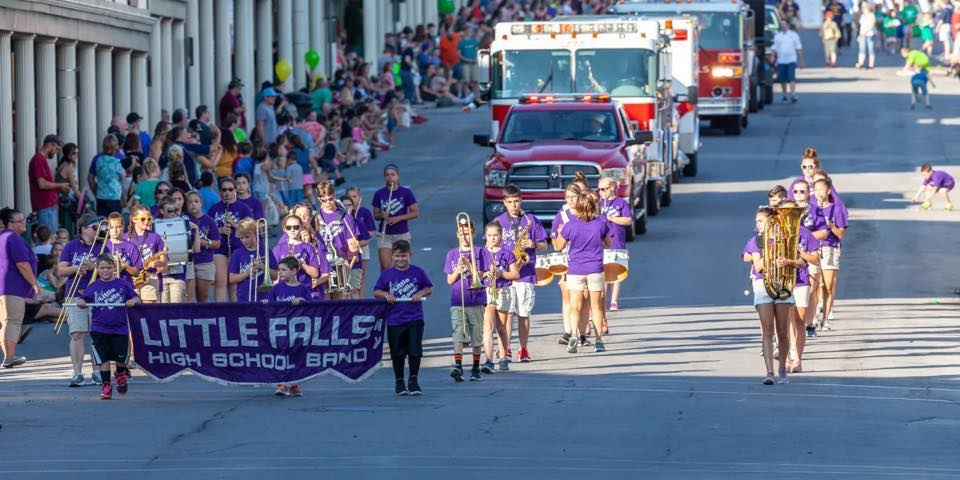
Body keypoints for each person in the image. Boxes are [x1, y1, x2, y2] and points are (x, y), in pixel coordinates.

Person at [553, 188, 611, 353]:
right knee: (596, 306)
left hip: (576, 269)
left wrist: (557, 233)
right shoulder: (601, 222)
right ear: (593, 206)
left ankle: (573, 337)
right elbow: (608, 243)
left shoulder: (570, 225)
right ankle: (598, 341)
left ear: (578, 207)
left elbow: (558, 247)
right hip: (595, 268)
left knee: (574, 306)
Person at [75, 254, 140, 400]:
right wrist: (81, 302)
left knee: (121, 359)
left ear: (114, 269)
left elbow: (135, 297)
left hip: (120, 327)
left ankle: (121, 374)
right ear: (97, 269)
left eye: (109, 268)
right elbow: (83, 299)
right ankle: (106, 385)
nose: (105, 271)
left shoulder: (122, 284)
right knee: (103, 359)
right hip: (99, 328)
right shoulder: (93, 286)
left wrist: (133, 301)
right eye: (102, 268)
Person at [495, 185, 548, 362]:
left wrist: (532, 245)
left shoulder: (531, 220)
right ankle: (507, 347)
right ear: (504, 202)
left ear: (521, 200)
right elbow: (490, 245)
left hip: (525, 274)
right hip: (507, 275)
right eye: (509, 202)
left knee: (523, 313)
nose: (513, 205)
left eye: (516, 201)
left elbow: (544, 245)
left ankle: (523, 349)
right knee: (507, 312)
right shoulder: (499, 221)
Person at [373, 240, 433, 395]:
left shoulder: (418, 272)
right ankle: (399, 381)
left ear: (410, 255)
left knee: (415, 351)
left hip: (415, 318)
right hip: (394, 320)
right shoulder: (387, 274)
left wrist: (420, 293)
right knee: (397, 353)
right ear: (393, 256)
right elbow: (376, 291)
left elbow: (428, 288)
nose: (401, 259)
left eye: (404, 256)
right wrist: (386, 294)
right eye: (398, 256)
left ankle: (413, 380)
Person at [742, 207, 794, 385]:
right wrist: (771, 253)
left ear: (772, 222)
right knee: (767, 330)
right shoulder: (756, 240)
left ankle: (782, 369)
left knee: (782, 331)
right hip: (763, 285)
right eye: (756, 221)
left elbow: (799, 263)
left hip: (783, 285)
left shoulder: (786, 239)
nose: (757, 224)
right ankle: (769, 372)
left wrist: (787, 258)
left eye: (760, 221)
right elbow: (757, 267)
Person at [59, 214, 108, 386]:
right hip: (76, 292)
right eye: (95, 228)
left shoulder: (103, 247)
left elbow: (110, 270)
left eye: (100, 228)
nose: (99, 231)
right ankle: (77, 373)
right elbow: (61, 270)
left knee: (97, 334)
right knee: (77, 333)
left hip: (98, 294)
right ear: (84, 228)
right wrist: (77, 267)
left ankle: (97, 372)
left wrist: (93, 267)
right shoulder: (71, 246)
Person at [777, 200, 820, 374]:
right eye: (784, 212)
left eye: (792, 212)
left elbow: (815, 259)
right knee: (783, 322)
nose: (788, 216)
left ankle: (798, 360)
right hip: (781, 281)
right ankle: (786, 358)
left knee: (799, 321)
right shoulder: (775, 233)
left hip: (800, 281)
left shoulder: (805, 234)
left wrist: (798, 252)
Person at [445, 216, 490, 382]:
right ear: (457, 234)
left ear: (473, 233)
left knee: (476, 335)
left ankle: (476, 367)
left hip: (476, 299)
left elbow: (483, 275)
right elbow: (449, 280)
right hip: (458, 300)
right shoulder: (452, 253)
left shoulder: (480, 252)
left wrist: (470, 267)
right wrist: (458, 270)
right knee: (458, 333)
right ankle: (458, 365)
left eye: (468, 233)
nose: (465, 237)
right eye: (462, 233)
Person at [267, 256, 312, 397]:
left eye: (283, 270)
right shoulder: (276, 289)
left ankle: (294, 384)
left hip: (297, 329)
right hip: (280, 329)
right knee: (280, 356)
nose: (279, 273)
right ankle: (281, 384)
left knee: (296, 356)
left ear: (294, 271)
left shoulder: (303, 289)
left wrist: (303, 300)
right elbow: (269, 307)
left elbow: (312, 307)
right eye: (279, 270)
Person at [0, 208, 39, 369]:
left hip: (5, 287)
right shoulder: (12, 238)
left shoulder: (3, 237)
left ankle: (9, 355)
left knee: (5, 322)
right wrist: (34, 284)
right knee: (13, 321)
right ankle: (9, 357)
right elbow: (22, 264)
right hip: (11, 287)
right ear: (10, 224)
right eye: (20, 221)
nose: (24, 223)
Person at [480, 221, 519, 373]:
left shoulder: (507, 253)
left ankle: (503, 357)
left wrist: (501, 273)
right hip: (487, 290)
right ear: (485, 236)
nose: (493, 238)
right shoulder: (482, 253)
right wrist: (485, 274)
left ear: (501, 236)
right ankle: (489, 360)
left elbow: (515, 274)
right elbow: (477, 273)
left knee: (501, 328)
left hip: (503, 290)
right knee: (487, 326)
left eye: (495, 235)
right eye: (489, 235)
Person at [314, 183, 363, 299]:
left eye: (330, 199)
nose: (328, 202)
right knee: (324, 300)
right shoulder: (315, 217)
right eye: (324, 200)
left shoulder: (346, 217)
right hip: (321, 263)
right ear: (319, 199)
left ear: (334, 195)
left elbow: (352, 245)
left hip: (339, 262)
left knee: (338, 301)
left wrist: (353, 249)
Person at [208, 177, 254, 301]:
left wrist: (234, 224)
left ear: (235, 190)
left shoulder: (243, 208)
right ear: (220, 192)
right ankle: (222, 314)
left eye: (230, 189)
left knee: (234, 285)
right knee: (221, 283)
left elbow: (250, 229)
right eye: (224, 190)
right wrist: (220, 230)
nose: (227, 192)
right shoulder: (214, 209)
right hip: (220, 249)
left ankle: (236, 314)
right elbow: (206, 230)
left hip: (238, 248)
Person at [811, 178, 847, 331]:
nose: (819, 193)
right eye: (816, 189)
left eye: (822, 189)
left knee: (828, 287)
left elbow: (840, 234)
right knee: (812, 286)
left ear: (828, 191)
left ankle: (825, 319)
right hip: (813, 249)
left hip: (830, 248)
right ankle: (812, 318)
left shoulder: (836, 208)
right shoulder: (811, 208)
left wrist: (830, 224)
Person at [372, 165, 419, 272]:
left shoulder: (406, 193)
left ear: (398, 176)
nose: (390, 177)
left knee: (402, 266)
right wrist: (381, 215)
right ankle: (385, 288)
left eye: (393, 175)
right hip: (385, 235)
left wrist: (399, 218)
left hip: (402, 234)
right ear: (384, 177)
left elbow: (415, 213)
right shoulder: (379, 194)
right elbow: (375, 215)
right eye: (387, 175)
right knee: (385, 267)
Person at [272, 214, 327, 300]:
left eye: (296, 227)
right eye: (289, 227)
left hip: (304, 290)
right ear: (284, 229)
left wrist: (300, 263)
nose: (292, 230)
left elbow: (315, 273)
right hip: (285, 292)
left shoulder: (308, 247)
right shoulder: (278, 248)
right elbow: (275, 274)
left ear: (301, 227)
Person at [598, 177, 631, 311]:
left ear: (612, 188)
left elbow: (628, 220)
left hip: (617, 241)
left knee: (616, 271)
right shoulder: (598, 203)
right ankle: (602, 300)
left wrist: (611, 218)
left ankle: (614, 301)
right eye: (599, 189)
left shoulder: (621, 203)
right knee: (603, 272)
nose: (601, 192)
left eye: (604, 189)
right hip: (601, 242)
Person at [158, 196, 197, 304]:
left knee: (177, 308)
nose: (173, 213)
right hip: (162, 275)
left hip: (179, 274)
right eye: (169, 210)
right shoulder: (155, 225)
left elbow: (195, 249)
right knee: (162, 308)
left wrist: (195, 230)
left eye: (176, 210)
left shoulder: (183, 224)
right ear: (162, 211)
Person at [125, 205, 167, 304]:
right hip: (130, 278)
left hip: (150, 277)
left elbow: (164, 261)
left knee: (150, 313)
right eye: (143, 219)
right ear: (134, 219)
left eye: (149, 218)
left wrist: (158, 263)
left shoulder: (155, 237)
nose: (146, 221)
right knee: (133, 313)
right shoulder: (125, 237)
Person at [229, 218, 278, 302]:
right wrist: (247, 273)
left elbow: (275, 276)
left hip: (265, 296)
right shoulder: (237, 254)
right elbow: (231, 279)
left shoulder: (265, 251)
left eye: (247, 237)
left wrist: (263, 267)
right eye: (241, 238)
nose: (244, 240)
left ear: (255, 234)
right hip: (244, 297)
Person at [185, 191, 220, 303]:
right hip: (188, 262)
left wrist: (201, 241)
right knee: (188, 298)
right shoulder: (184, 220)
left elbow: (217, 243)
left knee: (203, 298)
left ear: (201, 203)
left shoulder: (209, 221)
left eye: (196, 201)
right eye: (190, 202)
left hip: (204, 262)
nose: (193, 204)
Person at [30, 134, 70, 232]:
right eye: (56, 149)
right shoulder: (38, 160)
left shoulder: (41, 160)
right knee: (48, 238)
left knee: (51, 238)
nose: (56, 152)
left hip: (48, 206)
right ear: (50, 145)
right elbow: (42, 184)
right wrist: (60, 185)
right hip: (45, 206)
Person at [347, 186, 377, 297]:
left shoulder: (364, 212)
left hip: (362, 248)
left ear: (360, 198)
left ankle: (361, 299)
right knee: (348, 276)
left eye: (354, 196)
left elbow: (372, 232)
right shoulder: (344, 213)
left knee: (361, 276)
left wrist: (360, 239)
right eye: (350, 197)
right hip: (347, 250)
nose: (352, 199)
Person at [104, 213, 142, 287]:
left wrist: (125, 267)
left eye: (118, 227)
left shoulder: (131, 247)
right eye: (112, 227)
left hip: (126, 286)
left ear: (123, 227)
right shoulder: (103, 246)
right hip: (106, 287)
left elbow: (137, 272)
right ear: (107, 228)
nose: (115, 230)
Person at [772, 19, 804, 103]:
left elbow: (799, 48)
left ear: (788, 25)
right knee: (782, 79)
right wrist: (772, 57)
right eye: (781, 24)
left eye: (784, 24)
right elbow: (774, 48)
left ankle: (793, 94)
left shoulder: (794, 35)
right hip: (781, 60)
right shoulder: (777, 36)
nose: (783, 26)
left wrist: (801, 61)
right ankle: (785, 94)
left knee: (791, 78)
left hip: (791, 60)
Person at [857, 4, 877, 69]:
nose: (863, 9)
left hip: (870, 34)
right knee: (862, 49)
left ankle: (871, 64)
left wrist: (865, 32)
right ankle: (861, 63)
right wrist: (860, 35)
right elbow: (861, 26)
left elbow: (872, 25)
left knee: (870, 49)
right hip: (862, 35)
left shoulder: (872, 15)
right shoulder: (862, 16)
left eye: (864, 8)